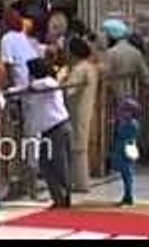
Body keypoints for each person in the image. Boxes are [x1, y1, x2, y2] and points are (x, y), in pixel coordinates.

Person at [23, 57, 73, 209]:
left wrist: (31, 86)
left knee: (59, 165)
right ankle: (58, 197)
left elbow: (42, 84)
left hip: (57, 128)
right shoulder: (37, 86)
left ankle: (64, 197)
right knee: (45, 164)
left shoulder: (48, 83)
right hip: (48, 131)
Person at [61, 36, 99, 193]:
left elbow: (68, 90)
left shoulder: (79, 70)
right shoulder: (90, 67)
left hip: (76, 110)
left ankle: (80, 182)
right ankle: (80, 181)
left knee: (77, 148)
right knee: (80, 146)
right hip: (86, 108)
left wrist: (61, 79)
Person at [111, 97, 141, 206]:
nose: (122, 112)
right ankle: (126, 196)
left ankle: (129, 196)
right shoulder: (125, 122)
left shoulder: (132, 124)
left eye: (125, 110)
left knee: (128, 174)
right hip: (121, 149)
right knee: (125, 175)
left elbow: (125, 135)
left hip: (126, 150)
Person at [0, 7, 38, 90]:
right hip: (32, 80)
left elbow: (8, 64)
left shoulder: (7, 38)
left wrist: (11, 85)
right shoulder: (22, 36)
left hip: (20, 82)